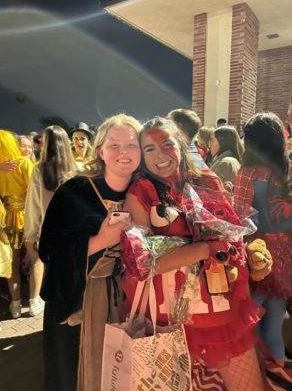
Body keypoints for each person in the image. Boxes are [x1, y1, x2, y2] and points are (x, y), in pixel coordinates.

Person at [122, 117, 264, 390]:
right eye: (149, 149)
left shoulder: (207, 180)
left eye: (167, 144)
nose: (160, 155)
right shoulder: (140, 193)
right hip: (169, 319)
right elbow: (145, 263)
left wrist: (239, 250)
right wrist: (204, 248)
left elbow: (231, 237)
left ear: (181, 144)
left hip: (218, 308)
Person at [38, 114, 141, 391]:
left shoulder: (145, 193)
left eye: (132, 145)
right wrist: (98, 240)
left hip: (129, 305)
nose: (123, 152)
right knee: (74, 377)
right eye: (114, 145)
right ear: (100, 151)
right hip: (77, 304)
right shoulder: (74, 191)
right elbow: (48, 250)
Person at [233, 112, 292, 367]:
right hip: (286, 257)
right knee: (273, 329)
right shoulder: (287, 172)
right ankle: (279, 374)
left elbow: (239, 217)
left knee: (247, 326)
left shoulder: (247, 172)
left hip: (257, 255)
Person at [24, 126, 78, 316]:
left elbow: (33, 206)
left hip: (51, 234)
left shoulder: (39, 170)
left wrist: (30, 234)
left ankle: (57, 321)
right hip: (76, 234)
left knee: (54, 279)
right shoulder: (77, 170)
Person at [0, 130, 33, 318]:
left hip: (6, 218)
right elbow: (35, 190)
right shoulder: (23, 163)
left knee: (12, 261)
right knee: (35, 258)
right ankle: (34, 301)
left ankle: (15, 304)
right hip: (27, 215)